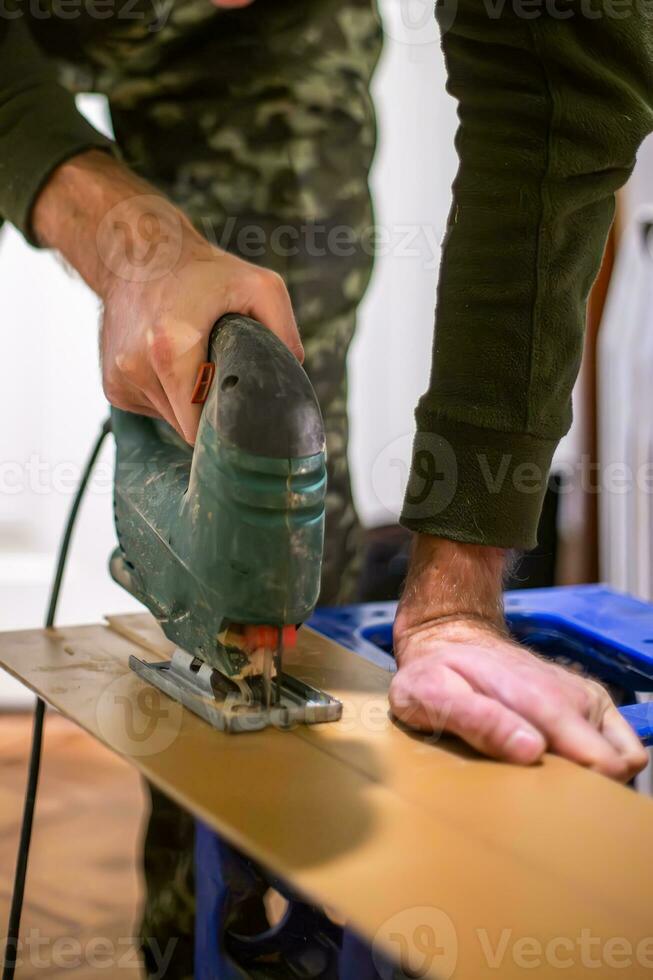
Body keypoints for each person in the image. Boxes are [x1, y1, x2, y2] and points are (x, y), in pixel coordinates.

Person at [2, 0, 651, 975]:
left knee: (256, 363)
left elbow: (555, 96)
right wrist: (127, 237)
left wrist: (453, 593)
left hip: (267, 35)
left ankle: (211, 936)